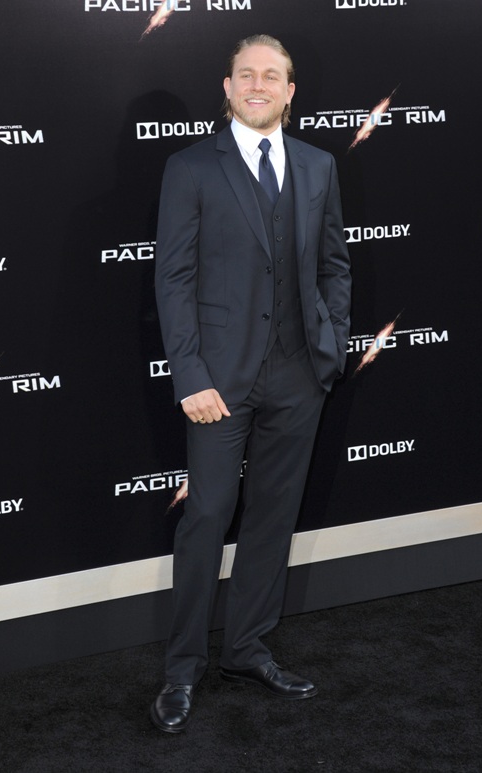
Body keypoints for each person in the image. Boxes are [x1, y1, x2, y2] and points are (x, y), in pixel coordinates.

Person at [152, 34, 352, 733]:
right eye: (246, 74)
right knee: (207, 516)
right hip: (218, 382)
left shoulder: (318, 164)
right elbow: (173, 279)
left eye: (272, 75)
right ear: (228, 86)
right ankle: (182, 668)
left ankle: (246, 649)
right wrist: (190, 375)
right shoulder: (190, 167)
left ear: (290, 90)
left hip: (299, 375)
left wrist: (331, 346)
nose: (258, 84)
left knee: (273, 516)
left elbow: (334, 264)